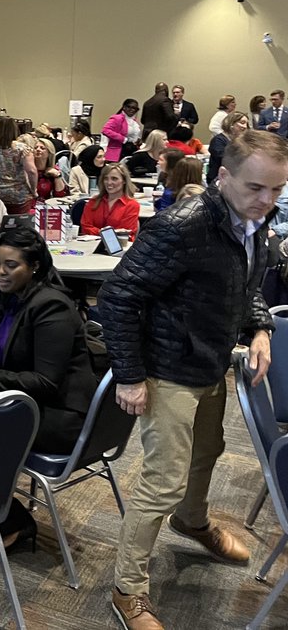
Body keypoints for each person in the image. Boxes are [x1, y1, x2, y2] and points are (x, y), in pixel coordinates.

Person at [101, 130, 287, 629]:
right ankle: (127, 590)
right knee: (162, 482)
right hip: (167, 370)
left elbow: (245, 283)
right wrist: (130, 376)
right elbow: (117, 297)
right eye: (256, 188)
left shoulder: (253, 220)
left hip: (210, 363)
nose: (267, 200)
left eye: (277, 191)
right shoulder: (183, 226)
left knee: (208, 452)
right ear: (223, 177)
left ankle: (192, 519)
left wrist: (261, 326)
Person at [0, 228, 97, 544]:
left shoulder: (53, 307)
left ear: (34, 266)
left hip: (60, 414)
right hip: (25, 398)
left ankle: (13, 523)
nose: (0, 272)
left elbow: (46, 382)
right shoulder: (8, 294)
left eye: (11, 265)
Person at [0, 117, 36, 214]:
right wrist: (33, 189)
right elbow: (31, 171)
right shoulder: (22, 148)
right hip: (18, 195)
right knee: (19, 225)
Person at [80, 163, 141, 235]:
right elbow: (85, 228)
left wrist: (99, 232)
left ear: (124, 181)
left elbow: (123, 234)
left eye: (114, 179)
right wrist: (104, 233)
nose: (109, 182)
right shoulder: (93, 202)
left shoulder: (132, 205)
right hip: (92, 244)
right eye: (106, 178)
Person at [207, 111, 249, 186]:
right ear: (231, 124)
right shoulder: (218, 140)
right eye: (242, 123)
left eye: (246, 124)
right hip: (218, 180)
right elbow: (224, 158)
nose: (245, 126)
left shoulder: (241, 141)